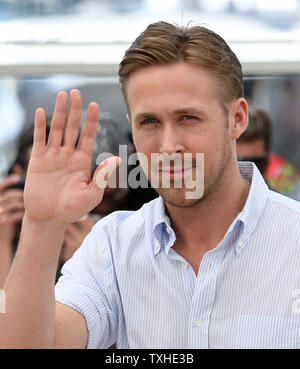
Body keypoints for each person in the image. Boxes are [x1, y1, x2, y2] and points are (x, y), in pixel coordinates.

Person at [1, 21, 300, 349]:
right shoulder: (112, 245)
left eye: (188, 118)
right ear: (133, 128)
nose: (168, 146)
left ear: (237, 119)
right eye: (150, 122)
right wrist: (42, 224)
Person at [237, 104, 300, 200]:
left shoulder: (285, 178)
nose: (249, 172)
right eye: (239, 163)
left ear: (268, 157)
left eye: (258, 163)